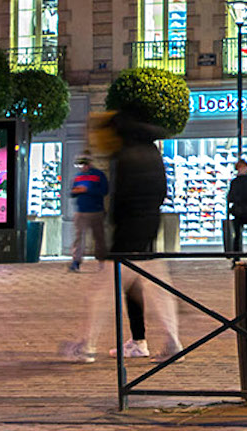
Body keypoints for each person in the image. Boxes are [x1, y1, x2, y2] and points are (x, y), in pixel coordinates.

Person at [63, 110, 181, 363]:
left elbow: (120, 199)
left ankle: (87, 347)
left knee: (102, 292)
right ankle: (168, 342)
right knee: (155, 288)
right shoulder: (152, 152)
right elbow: (163, 190)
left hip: (128, 233)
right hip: (149, 226)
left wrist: (112, 234)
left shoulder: (124, 155)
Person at [69, 152, 109, 272]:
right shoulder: (78, 176)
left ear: (89, 164)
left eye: (84, 164)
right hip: (81, 211)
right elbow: (71, 193)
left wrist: (88, 190)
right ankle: (76, 261)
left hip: (96, 211)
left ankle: (101, 260)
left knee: (99, 237)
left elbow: (105, 190)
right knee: (78, 237)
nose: (83, 167)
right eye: (81, 165)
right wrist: (76, 191)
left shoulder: (99, 175)